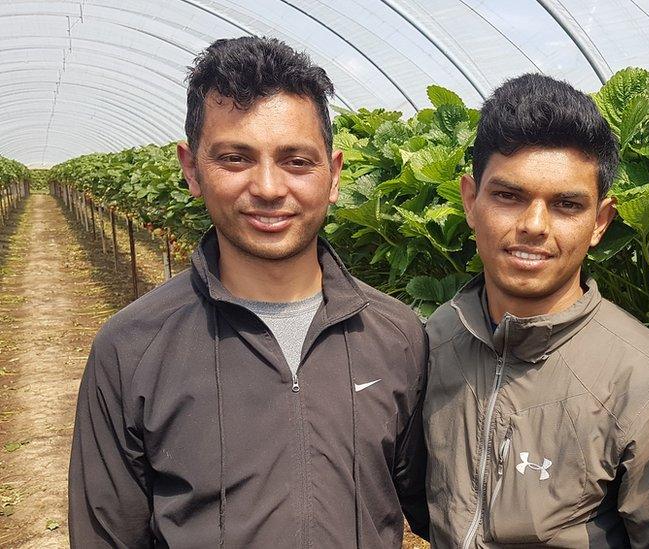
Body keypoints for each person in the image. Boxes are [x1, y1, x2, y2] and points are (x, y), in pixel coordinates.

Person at [68, 37, 428, 547]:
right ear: (191, 169)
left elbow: (443, 506)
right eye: (235, 159)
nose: (267, 187)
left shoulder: (398, 335)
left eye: (296, 161)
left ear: (334, 175)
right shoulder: (129, 348)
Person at [423, 74, 649, 548]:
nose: (534, 226)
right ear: (470, 200)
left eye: (566, 205)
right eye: (508, 196)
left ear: (600, 222)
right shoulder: (439, 337)